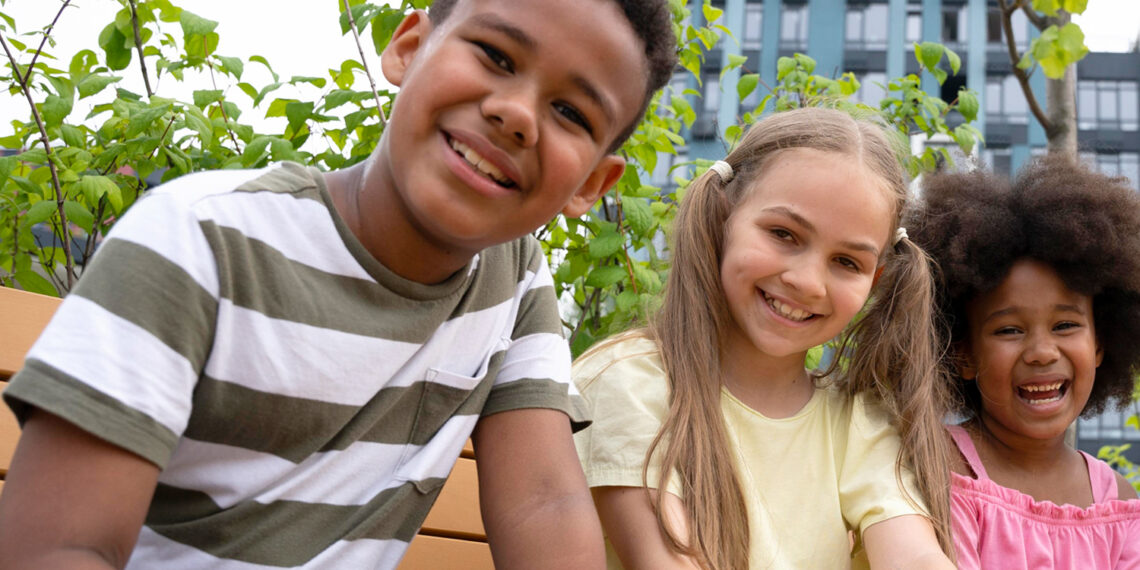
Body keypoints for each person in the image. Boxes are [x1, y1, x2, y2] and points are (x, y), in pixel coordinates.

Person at [0, 0, 677, 567]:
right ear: (407, 47)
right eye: (496, 56)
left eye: (572, 114)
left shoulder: (515, 280)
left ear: (591, 183)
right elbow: (61, 549)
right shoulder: (201, 240)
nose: (518, 114)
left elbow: (545, 503)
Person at [573, 107, 956, 569]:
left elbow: (914, 556)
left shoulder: (857, 420)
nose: (809, 281)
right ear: (723, 218)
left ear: (873, 283)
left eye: (847, 262)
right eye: (783, 234)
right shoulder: (629, 382)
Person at [905, 157, 1140, 569]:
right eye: (1009, 330)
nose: (1042, 352)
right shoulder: (937, 464)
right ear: (963, 354)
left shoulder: (1118, 502)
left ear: (1102, 343)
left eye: (1065, 325)